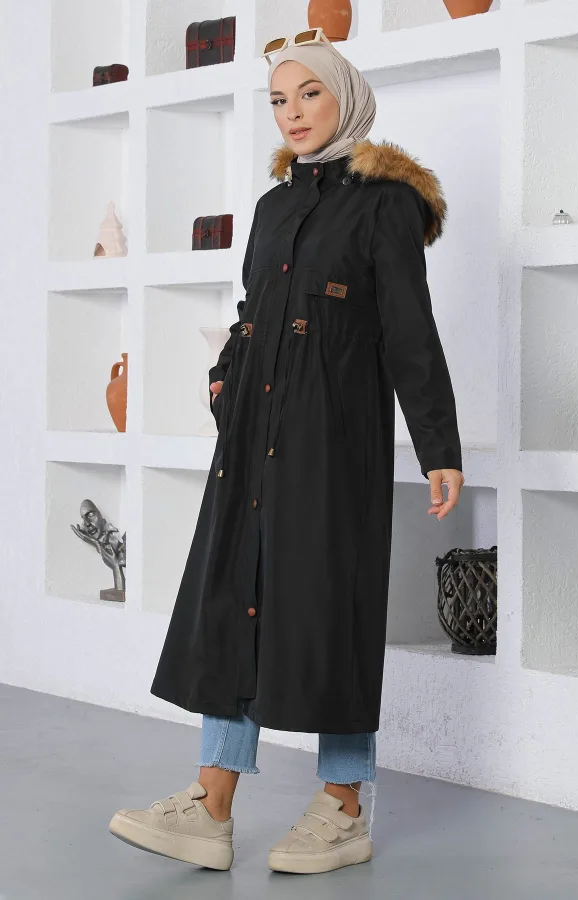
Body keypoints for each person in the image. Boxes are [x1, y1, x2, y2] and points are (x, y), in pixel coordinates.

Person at [108, 28, 464, 875]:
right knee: (234, 595)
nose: (292, 113)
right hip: (251, 440)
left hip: (335, 442)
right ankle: (211, 804)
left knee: (332, 608)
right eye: (278, 99)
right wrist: (224, 381)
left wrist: (439, 447)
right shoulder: (272, 208)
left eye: (309, 93)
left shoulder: (386, 205)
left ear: (347, 97)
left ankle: (343, 807)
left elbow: (409, 333)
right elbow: (250, 314)